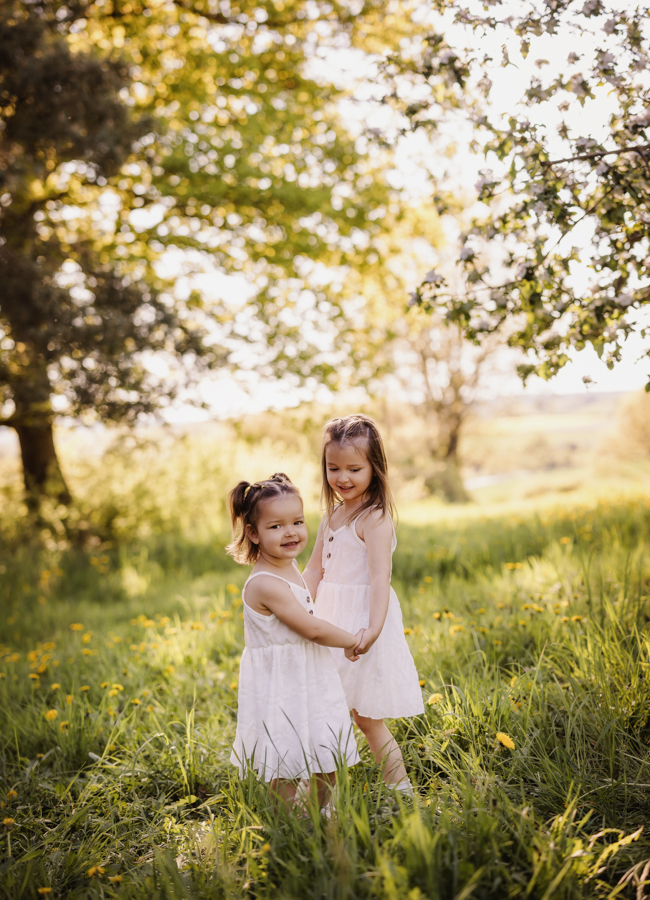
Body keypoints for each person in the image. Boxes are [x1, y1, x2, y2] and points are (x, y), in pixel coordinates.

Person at [303, 416, 424, 798]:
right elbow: (314, 569)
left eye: (354, 469)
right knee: (326, 708)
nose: (342, 477)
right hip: (329, 621)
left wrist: (371, 630)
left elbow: (378, 578)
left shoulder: (374, 518)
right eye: (333, 468)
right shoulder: (331, 515)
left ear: (375, 468)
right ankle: (320, 792)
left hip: (361, 623)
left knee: (367, 718)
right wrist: (297, 604)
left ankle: (400, 790)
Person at [227, 473, 363, 810]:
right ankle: (287, 822)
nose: (290, 532)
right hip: (283, 684)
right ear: (253, 533)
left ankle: (314, 814)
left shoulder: (288, 566)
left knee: (327, 755)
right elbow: (312, 629)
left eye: (297, 522)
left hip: (309, 676)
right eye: (276, 526)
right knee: (286, 762)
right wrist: (352, 640)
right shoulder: (264, 584)